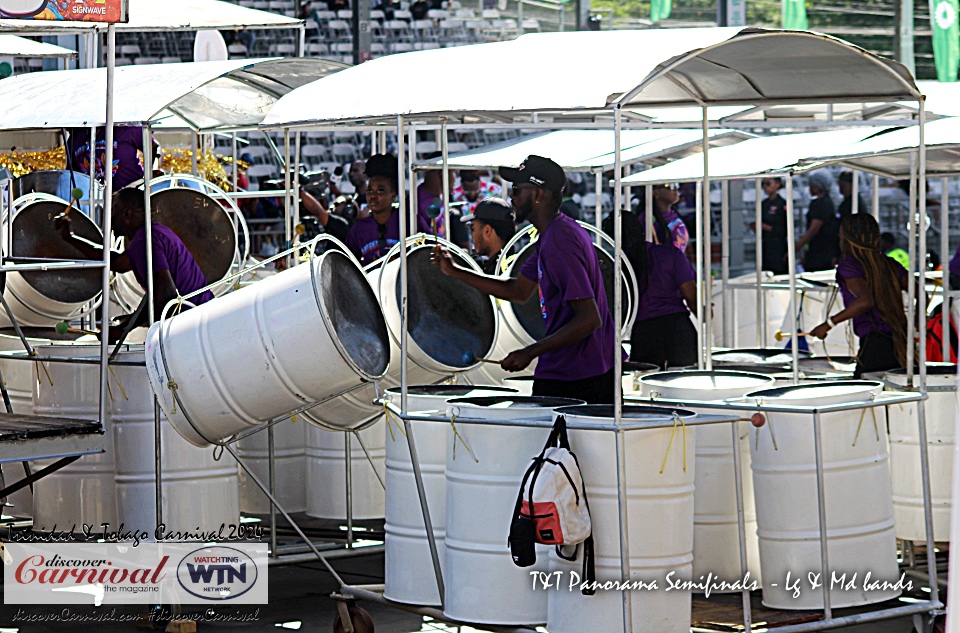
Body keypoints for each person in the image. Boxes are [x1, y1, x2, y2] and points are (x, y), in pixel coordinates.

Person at [432, 155, 619, 404]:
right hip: (574, 369)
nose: (511, 197)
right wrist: (454, 270)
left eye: (518, 190)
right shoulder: (549, 237)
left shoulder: (559, 240)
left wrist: (529, 352)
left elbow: (589, 318)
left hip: (579, 375)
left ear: (538, 194)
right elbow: (518, 290)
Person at [56, 187, 213, 340]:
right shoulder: (150, 233)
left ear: (127, 214)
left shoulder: (145, 240)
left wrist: (124, 330)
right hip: (197, 318)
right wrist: (70, 238)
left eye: (112, 213)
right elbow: (117, 263)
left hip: (194, 325)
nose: (109, 220)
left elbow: (165, 295)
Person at [810, 213, 909, 378]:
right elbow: (921, 292)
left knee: (864, 396)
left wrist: (828, 324)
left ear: (846, 238)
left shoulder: (849, 265)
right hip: (900, 341)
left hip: (875, 341)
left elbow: (865, 301)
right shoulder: (889, 263)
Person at [615, 211, 698, 369]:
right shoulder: (670, 255)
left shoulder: (615, 264)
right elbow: (692, 298)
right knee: (682, 385)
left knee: (646, 387)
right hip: (678, 329)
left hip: (644, 333)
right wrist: (705, 312)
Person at [346, 153, 431, 265]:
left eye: (380, 190)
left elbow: (431, 252)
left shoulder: (411, 222)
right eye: (370, 190)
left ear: (393, 195)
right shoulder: (358, 229)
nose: (373, 196)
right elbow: (347, 267)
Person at [67, 126, 157, 190]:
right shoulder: (75, 137)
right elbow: (71, 174)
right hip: (93, 197)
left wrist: (149, 175)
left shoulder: (126, 127)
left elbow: (153, 146)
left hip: (130, 193)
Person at [796, 170, 840, 272]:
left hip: (821, 254)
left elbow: (813, 230)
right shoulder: (822, 202)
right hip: (816, 251)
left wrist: (796, 248)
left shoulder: (822, 204)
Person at [460, 197, 516, 274]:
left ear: (487, 231)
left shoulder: (501, 270)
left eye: (473, 229)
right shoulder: (517, 263)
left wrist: (452, 269)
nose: (472, 235)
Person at [749, 177, 789, 275]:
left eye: (768, 184)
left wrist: (765, 227)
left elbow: (784, 228)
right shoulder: (763, 204)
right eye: (763, 184)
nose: (765, 187)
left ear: (777, 185)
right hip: (765, 245)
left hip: (778, 246)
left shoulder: (782, 203)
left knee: (779, 274)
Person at [643, 183, 689, 251]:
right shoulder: (647, 220)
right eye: (670, 186)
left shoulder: (674, 215)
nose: (676, 189)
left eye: (676, 185)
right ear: (655, 192)